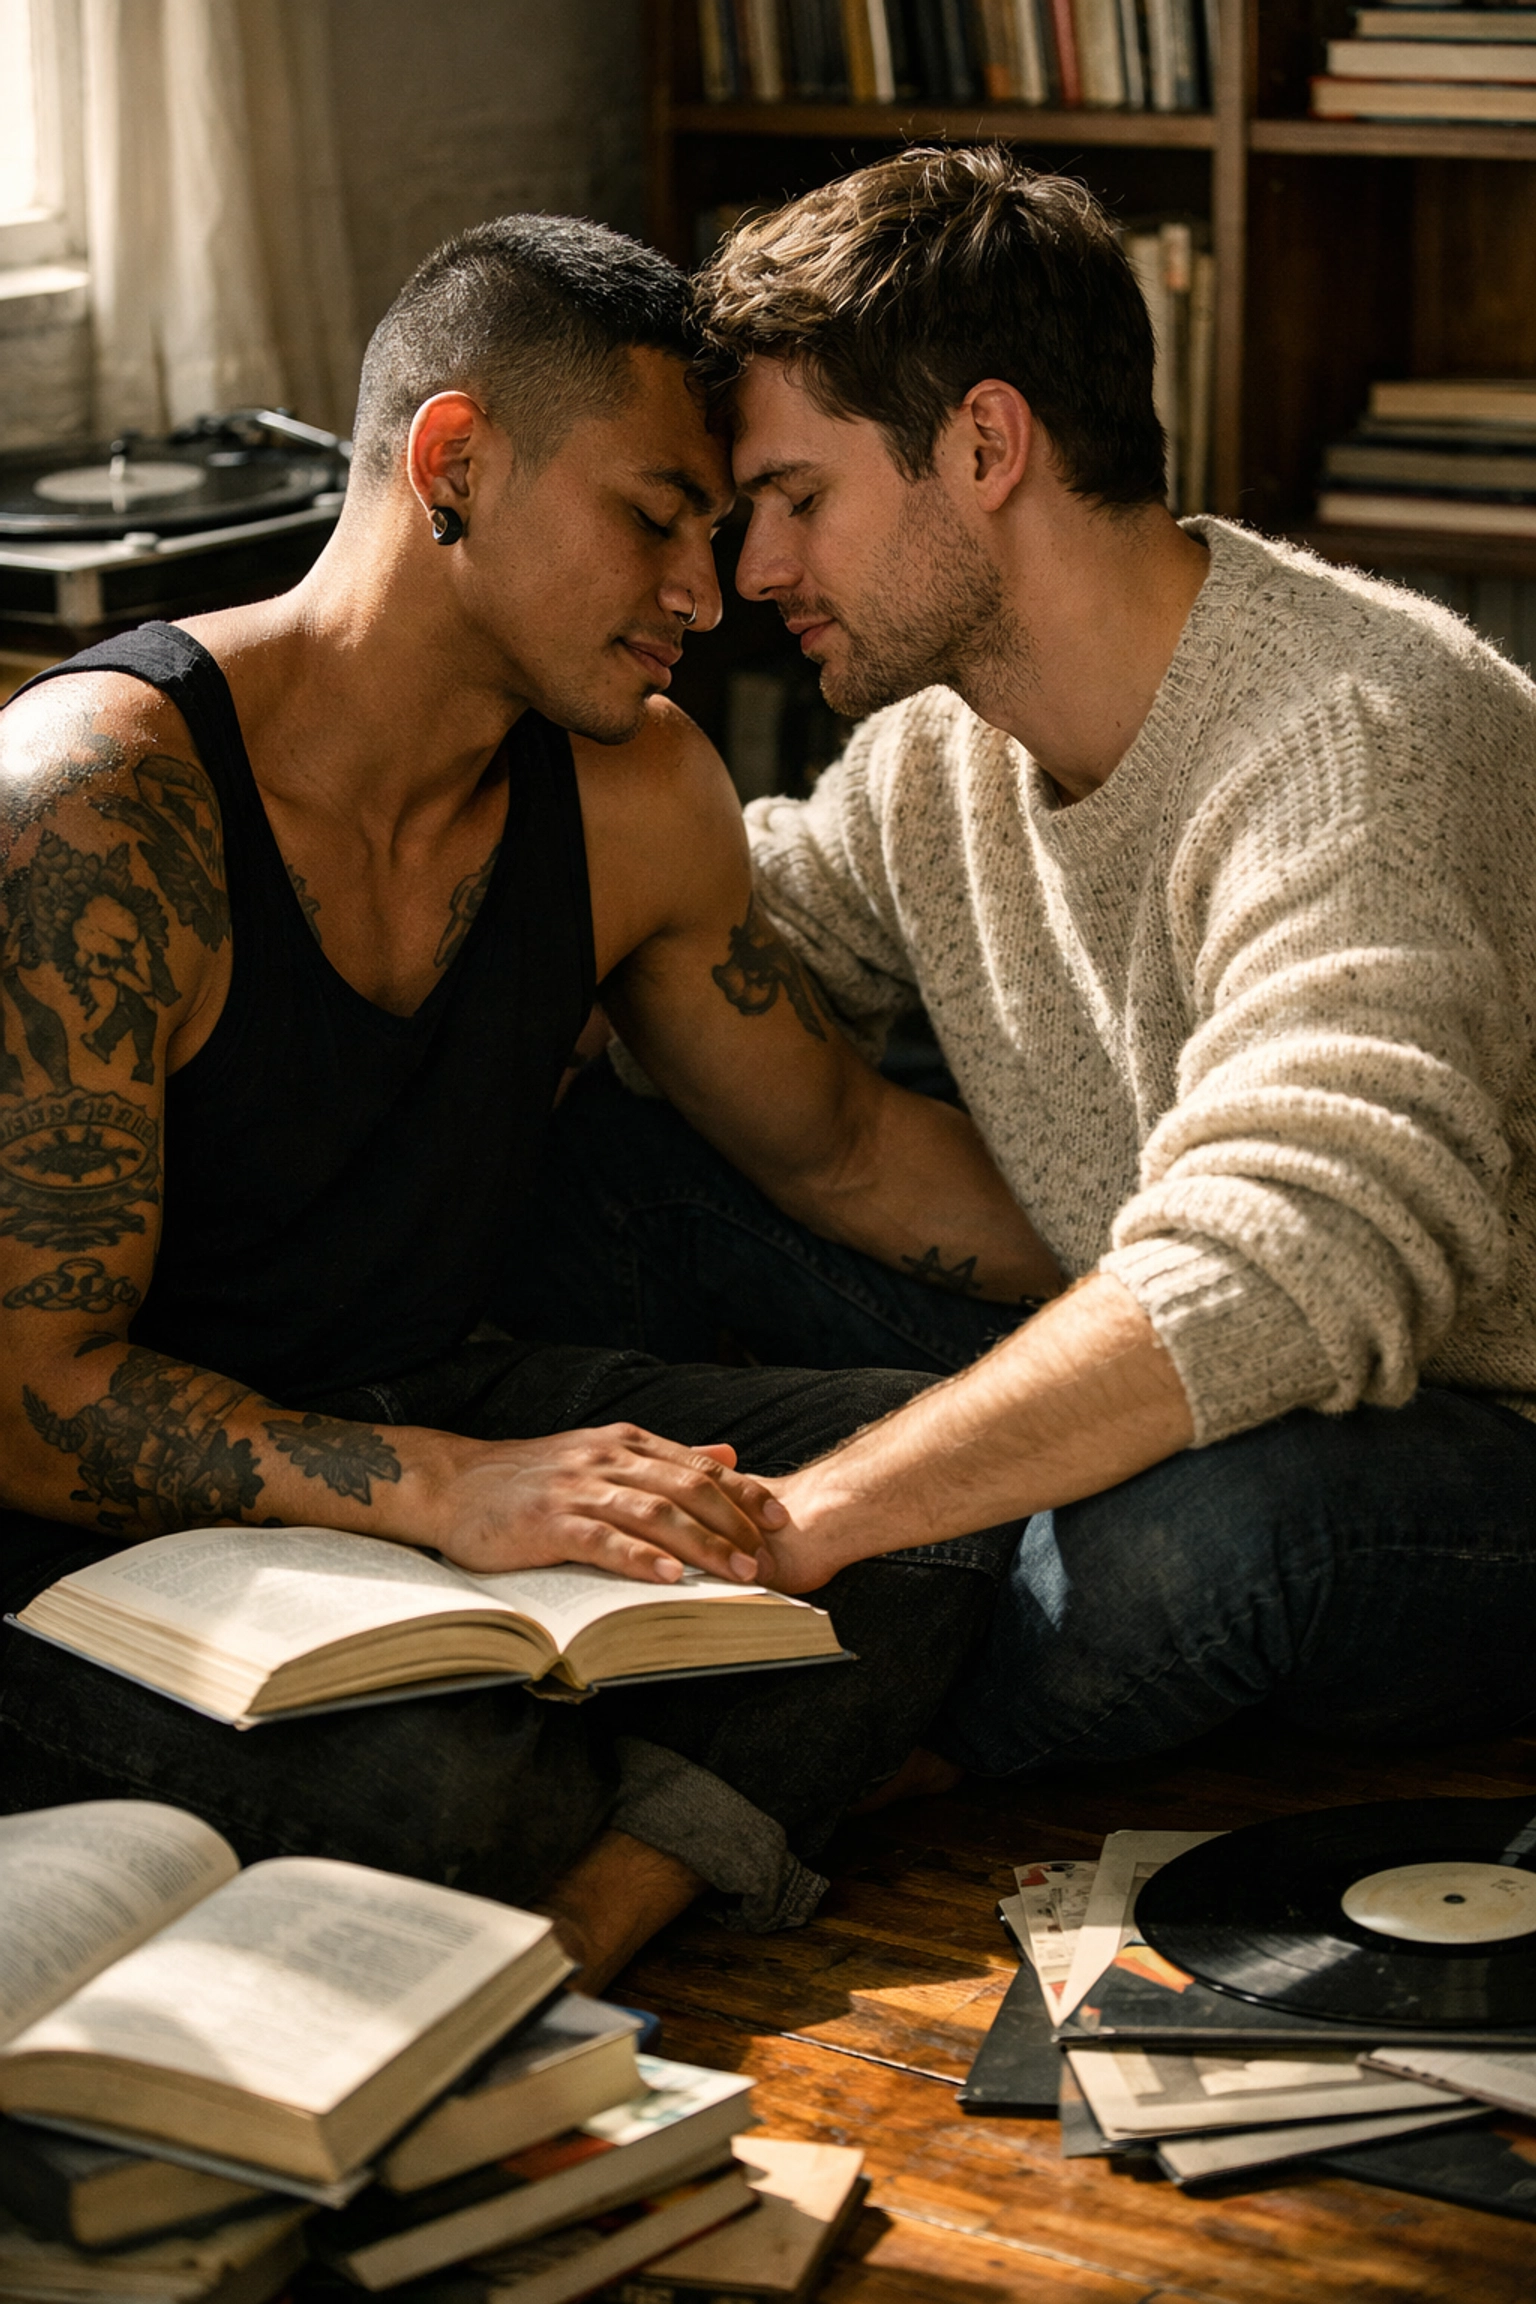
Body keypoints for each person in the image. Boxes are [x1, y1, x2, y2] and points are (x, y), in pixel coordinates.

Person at [0, 213, 1061, 1983]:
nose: (710, 593)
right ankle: (623, 1830)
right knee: (449, 1787)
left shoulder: (636, 792)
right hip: (85, 1524)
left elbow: (847, 1148)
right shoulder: (96, 805)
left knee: (928, 1482)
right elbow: (30, 1397)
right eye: (657, 518)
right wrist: (443, 1491)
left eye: (720, 532)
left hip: (437, 1405)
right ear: (454, 466)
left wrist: (1188, 1286)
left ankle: (584, 1934)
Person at [512, 148, 1536, 1779]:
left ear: (987, 444)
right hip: (1151, 1330)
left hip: (1460, 1432)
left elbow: (1293, 1262)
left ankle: (768, 1720)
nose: (752, 575)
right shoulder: (945, 752)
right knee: (619, 1179)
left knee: (1196, 1539)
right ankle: (694, 1638)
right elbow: (732, 927)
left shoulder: (1358, 739)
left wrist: (823, 1510)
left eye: (797, 500)